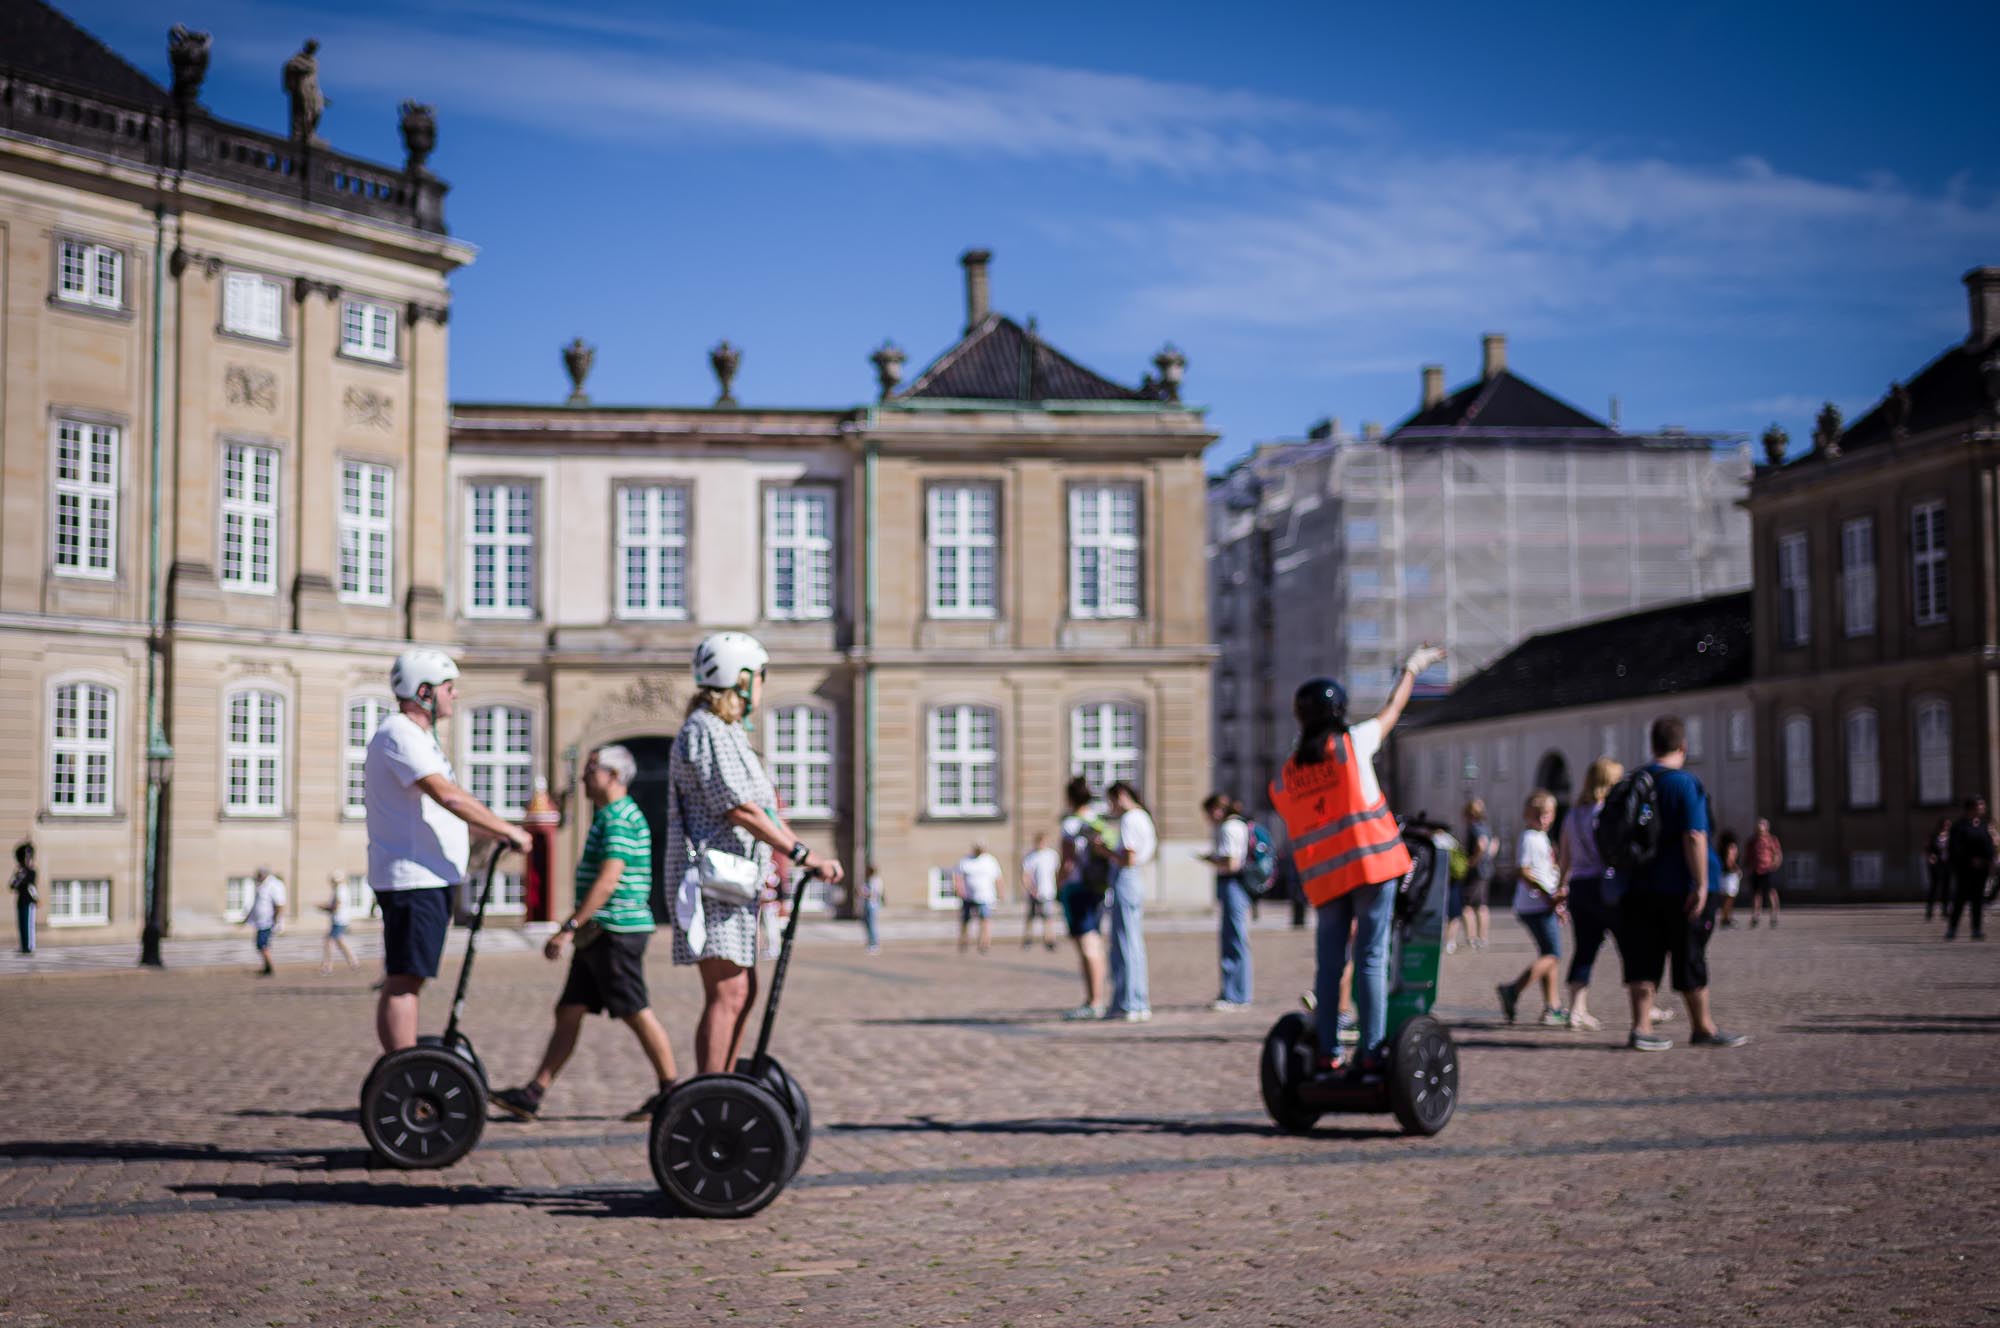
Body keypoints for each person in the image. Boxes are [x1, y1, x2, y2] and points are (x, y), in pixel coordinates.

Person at [666, 632, 842, 1074]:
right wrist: (804, 855)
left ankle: (725, 1085)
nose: (763, 685)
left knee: (743, 992)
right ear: (741, 680)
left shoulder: (727, 733)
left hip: (736, 883)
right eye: (761, 676)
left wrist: (801, 851)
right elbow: (741, 808)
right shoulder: (706, 729)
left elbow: (764, 808)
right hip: (714, 882)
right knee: (728, 994)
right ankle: (709, 1093)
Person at [1270, 644, 1444, 1073]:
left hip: (1326, 881)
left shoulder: (1288, 773)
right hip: (1373, 869)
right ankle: (1371, 1051)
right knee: (1370, 958)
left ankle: (1328, 1053)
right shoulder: (1351, 744)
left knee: (1330, 967)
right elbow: (1392, 711)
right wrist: (1412, 668)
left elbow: (1289, 806)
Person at [493, 745, 680, 1123]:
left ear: (613, 776)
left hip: (615, 931)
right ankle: (533, 1093)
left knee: (636, 1011)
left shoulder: (619, 818)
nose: (583, 777)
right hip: (601, 932)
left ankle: (672, 1091)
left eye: (591, 769)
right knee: (569, 1010)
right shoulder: (609, 815)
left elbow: (609, 878)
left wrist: (569, 927)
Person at [366, 648, 533, 1054]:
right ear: (424, 691)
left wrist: (494, 833)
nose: (454, 696)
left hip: (429, 876)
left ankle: (404, 1067)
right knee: (406, 979)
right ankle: (402, 1072)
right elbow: (448, 797)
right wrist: (508, 828)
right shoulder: (400, 733)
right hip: (413, 878)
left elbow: (449, 810)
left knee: (412, 977)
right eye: (448, 688)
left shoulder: (417, 737)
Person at [1614, 716, 1748, 1051]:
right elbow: (1695, 835)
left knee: (1643, 957)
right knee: (1690, 955)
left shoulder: (1637, 780)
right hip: (1680, 888)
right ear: (1683, 747)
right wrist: (1701, 883)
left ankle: (1641, 1027)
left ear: (1652, 745)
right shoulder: (1684, 784)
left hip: (1639, 886)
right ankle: (1702, 1026)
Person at [1558, 759, 1622, 1029]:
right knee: (1629, 945)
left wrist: (1561, 886)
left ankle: (1576, 1009)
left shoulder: (1573, 814)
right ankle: (1646, 1006)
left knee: (1584, 948)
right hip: (1604, 884)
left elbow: (1564, 855)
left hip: (1579, 886)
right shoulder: (1605, 811)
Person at [1496, 791, 1567, 1027]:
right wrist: (1548, 895)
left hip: (1543, 904)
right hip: (1535, 905)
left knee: (1549, 954)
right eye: (1539, 815)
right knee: (1553, 954)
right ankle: (1513, 990)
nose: (1544, 819)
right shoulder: (1529, 837)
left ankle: (1553, 1007)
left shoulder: (1542, 837)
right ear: (1529, 815)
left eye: (1547, 815)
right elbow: (1524, 870)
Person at [1099, 781, 1157, 1022]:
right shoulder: (1143, 817)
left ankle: (1130, 1002)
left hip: (1127, 879)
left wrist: (1104, 851)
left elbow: (1128, 858)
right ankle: (1135, 1000)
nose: (1110, 806)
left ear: (1121, 796)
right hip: (1134, 880)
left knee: (1125, 943)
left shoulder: (1130, 819)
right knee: (1131, 941)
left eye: (1111, 800)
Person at [1057, 777, 1112, 1019]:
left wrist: (1058, 884)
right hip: (1097, 887)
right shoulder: (1097, 821)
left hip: (1078, 888)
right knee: (1095, 942)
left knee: (1086, 944)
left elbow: (1068, 862)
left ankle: (1094, 1000)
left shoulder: (1070, 825)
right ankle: (1096, 998)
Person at [1200, 793, 1253, 1010]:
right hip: (1236, 885)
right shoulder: (1239, 825)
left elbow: (1231, 863)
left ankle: (1235, 995)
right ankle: (1237, 992)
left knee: (1233, 939)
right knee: (1236, 939)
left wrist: (1211, 859)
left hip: (1232, 884)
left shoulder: (1229, 828)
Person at [1945, 795, 1996, 941]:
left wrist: (1988, 860)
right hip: (1965, 869)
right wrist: (1970, 860)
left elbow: (1989, 845)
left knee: (1978, 900)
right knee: (1960, 899)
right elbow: (1955, 848)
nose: (1983, 807)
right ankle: (1952, 928)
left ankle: (1976, 929)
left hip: (1981, 869)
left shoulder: (1983, 825)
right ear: (1972, 808)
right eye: (1980, 805)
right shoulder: (1959, 826)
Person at [1460, 798, 1496, 951]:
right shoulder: (1486, 827)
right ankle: (1483, 938)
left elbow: (1481, 844)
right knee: (1482, 906)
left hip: (1474, 873)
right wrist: (1487, 859)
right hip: (1486, 871)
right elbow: (1494, 843)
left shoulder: (1473, 827)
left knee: (1466, 907)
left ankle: (1471, 938)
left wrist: (1473, 861)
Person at [954, 841, 1003, 954]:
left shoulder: (990, 860)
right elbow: (958, 876)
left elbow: (998, 878)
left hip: (985, 897)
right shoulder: (965, 860)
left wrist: (1000, 894)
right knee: (965, 920)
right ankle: (964, 941)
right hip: (968, 896)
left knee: (985, 920)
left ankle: (984, 943)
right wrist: (960, 890)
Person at [239, 865, 286, 977]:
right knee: (260, 945)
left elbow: (279, 905)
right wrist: (247, 918)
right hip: (260, 921)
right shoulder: (262, 884)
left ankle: (270, 968)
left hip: (268, 921)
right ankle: (267, 967)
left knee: (262, 945)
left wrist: (275, 919)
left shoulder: (274, 885)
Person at [1020, 834, 1059, 950]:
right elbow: (1025, 875)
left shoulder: (1052, 855)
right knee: (1030, 917)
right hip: (1034, 892)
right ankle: (1027, 939)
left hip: (1048, 891)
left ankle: (1050, 939)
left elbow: (1057, 872)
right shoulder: (1031, 857)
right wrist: (1031, 889)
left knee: (1048, 917)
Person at [318, 872, 359, 975]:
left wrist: (325, 908)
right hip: (339, 919)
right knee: (339, 941)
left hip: (339, 919)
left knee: (329, 941)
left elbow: (337, 906)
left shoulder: (340, 890)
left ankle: (328, 965)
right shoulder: (340, 889)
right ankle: (352, 960)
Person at [1746, 818, 1783, 928]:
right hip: (1755, 870)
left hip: (1767, 870)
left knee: (1771, 893)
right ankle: (1755, 916)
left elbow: (1777, 854)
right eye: (1758, 829)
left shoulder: (1772, 840)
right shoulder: (1752, 841)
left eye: (1761, 829)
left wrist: (1775, 864)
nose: (1759, 832)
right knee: (1756, 894)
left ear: (1766, 829)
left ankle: (1774, 916)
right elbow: (1748, 855)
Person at [1925, 818, 1954, 922]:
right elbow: (1927, 848)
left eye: (1948, 825)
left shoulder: (1951, 837)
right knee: (1934, 886)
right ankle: (1929, 911)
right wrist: (1930, 856)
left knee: (1946, 887)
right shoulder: (1934, 836)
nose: (1947, 827)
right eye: (1945, 825)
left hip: (1947, 864)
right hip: (1936, 865)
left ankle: (1945, 911)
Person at [9, 842, 36, 956]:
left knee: (29, 925)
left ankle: (29, 946)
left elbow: (31, 887)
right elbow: (12, 886)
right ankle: (24, 945)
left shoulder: (31, 872)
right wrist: (19, 875)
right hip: (21, 900)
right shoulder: (20, 872)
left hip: (29, 900)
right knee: (22, 924)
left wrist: (36, 898)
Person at [1716, 832, 1742, 929]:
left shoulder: (1721, 847)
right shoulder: (1731, 846)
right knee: (1729, 899)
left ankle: (1726, 918)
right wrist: (1736, 869)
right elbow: (1730, 860)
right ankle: (1726, 919)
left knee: (1725, 899)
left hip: (1723, 875)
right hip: (1730, 875)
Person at [860, 861, 883, 954]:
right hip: (867, 904)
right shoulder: (868, 880)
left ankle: (874, 944)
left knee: (872, 924)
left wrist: (866, 893)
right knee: (867, 924)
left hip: (872, 904)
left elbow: (876, 893)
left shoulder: (876, 880)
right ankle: (869, 942)